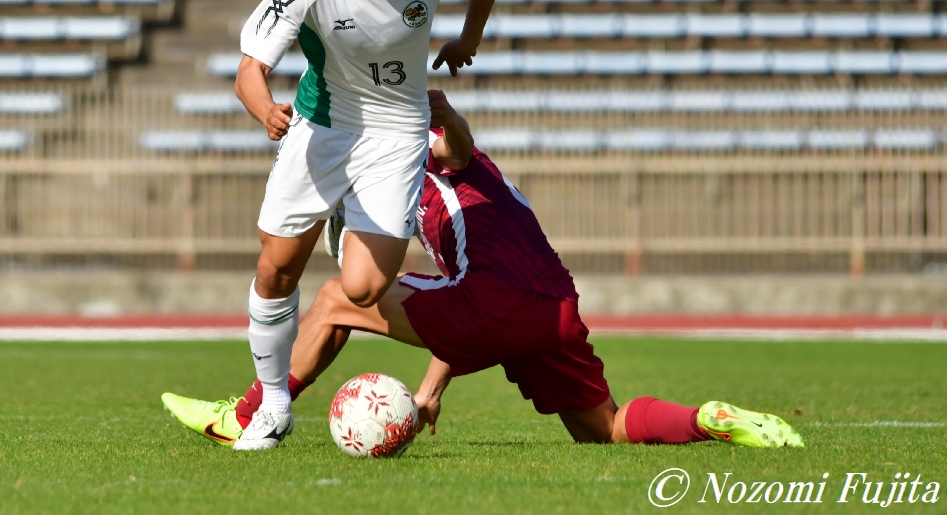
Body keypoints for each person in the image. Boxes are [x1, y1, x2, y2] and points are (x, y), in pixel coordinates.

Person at [163, 91, 805, 450]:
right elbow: (462, 306)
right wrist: (431, 390)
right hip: (552, 308)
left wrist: (444, 116)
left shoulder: (427, 153)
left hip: (498, 301)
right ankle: (708, 419)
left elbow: (456, 147)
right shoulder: (446, 197)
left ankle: (247, 416)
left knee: (336, 298)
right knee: (604, 429)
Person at [230, 0, 503, 450]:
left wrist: (469, 38)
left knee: (361, 290)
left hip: (397, 134)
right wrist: (265, 109)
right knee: (275, 270)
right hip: (321, 127)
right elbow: (250, 68)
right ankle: (273, 405)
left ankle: (345, 218)